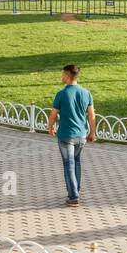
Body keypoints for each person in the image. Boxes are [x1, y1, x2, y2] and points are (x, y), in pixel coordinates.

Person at [47, 63, 96, 206]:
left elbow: (53, 114)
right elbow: (92, 115)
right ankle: (76, 190)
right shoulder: (86, 93)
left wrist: (50, 127)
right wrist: (92, 132)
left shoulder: (61, 94)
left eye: (63, 74)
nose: (62, 77)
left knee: (69, 164)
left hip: (66, 135)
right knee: (77, 162)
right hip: (81, 135)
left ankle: (73, 196)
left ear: (68, 76)